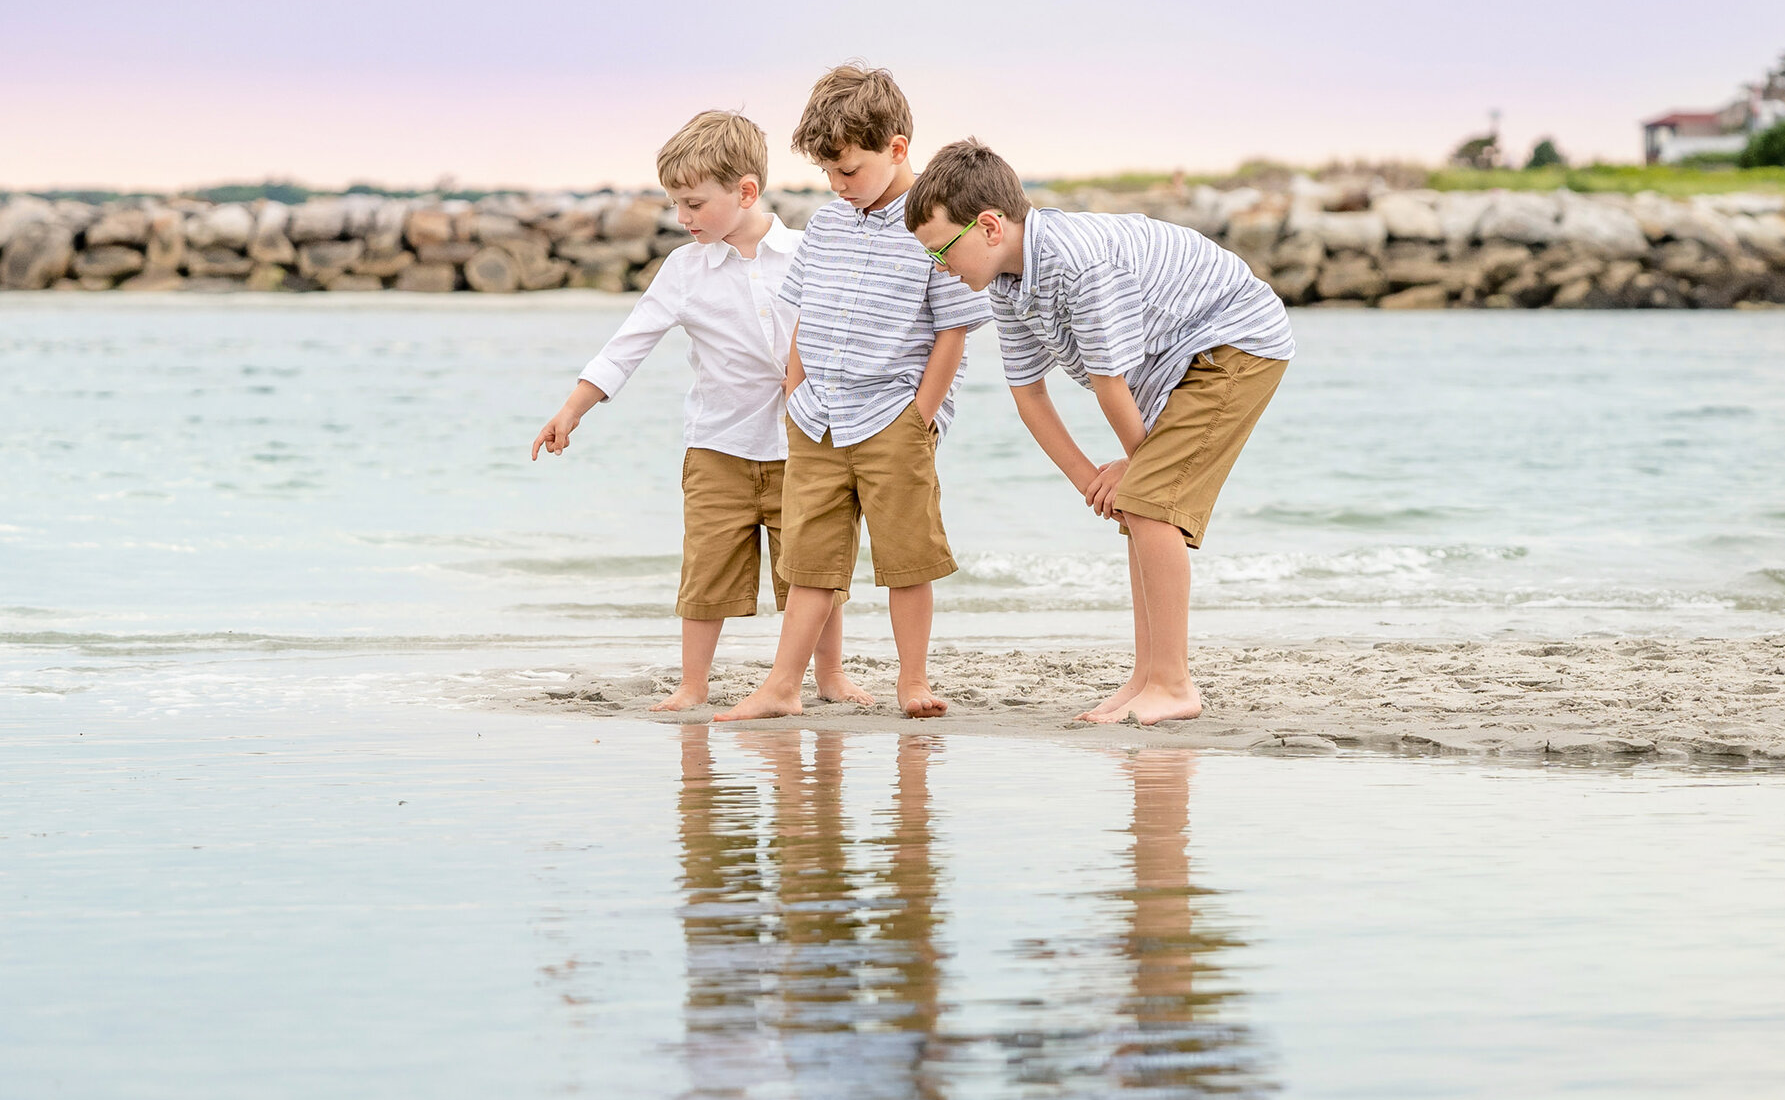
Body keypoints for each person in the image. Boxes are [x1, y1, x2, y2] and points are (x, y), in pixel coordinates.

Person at [906, 138, 1292, 725]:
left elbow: (1110, 384)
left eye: (942, 253)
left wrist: (1137, 469)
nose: (941, 269)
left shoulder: (1078, 263)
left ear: (988, 226)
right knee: (1137, 504)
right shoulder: (1007, 286)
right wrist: (1093, 480)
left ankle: (1174, 682)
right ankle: (1146, 677)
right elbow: (1028, 395)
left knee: (1151, 503)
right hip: (1171, 366)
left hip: (1234, 343)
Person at [532, 110, 866, 711]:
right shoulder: (684, 270)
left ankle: (830, 676)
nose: (681, 218)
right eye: (675, 205)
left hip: (807, 444)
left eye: (693, 204)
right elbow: (628, 343)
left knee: (812, 571)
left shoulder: (807, 253)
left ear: (745, 192)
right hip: (718, 448)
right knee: (706, 569)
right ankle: (693, 685)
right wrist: (573, 408)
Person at [714, 66, 987, 722]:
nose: (839, 185)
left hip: (893, 415)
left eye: (850, 171)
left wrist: (919, 416)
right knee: (810, 557)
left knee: (906, 555)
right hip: (816, 416)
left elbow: (954, 329)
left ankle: (912, 679)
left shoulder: (935, 225)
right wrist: (794, 387)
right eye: (830, 174)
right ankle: (783, 684)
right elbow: (804, 310)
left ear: (896, 148)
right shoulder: (827, 223)